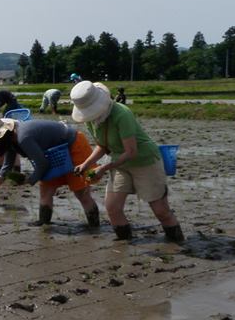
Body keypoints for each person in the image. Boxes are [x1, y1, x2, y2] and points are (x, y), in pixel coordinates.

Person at [69, 81, 184, 242]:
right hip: (120, 163)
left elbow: (131, 151)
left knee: (160, 210)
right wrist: (86, 164)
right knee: (113, 208)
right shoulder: (91, 119)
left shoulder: (122, 114)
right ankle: (125, 245)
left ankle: (176, 242)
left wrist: (102, 168)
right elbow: (102, 145)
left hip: (144, 161)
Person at [0, 116, 100, 228]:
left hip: (74, 144)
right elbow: (7, 166)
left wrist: (30, 179)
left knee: (81, 192)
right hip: (53, 152)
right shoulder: (11, 141)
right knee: (45, 190)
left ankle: (94, 226)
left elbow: (42, 164)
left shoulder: (23, 137)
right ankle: (44, 222)